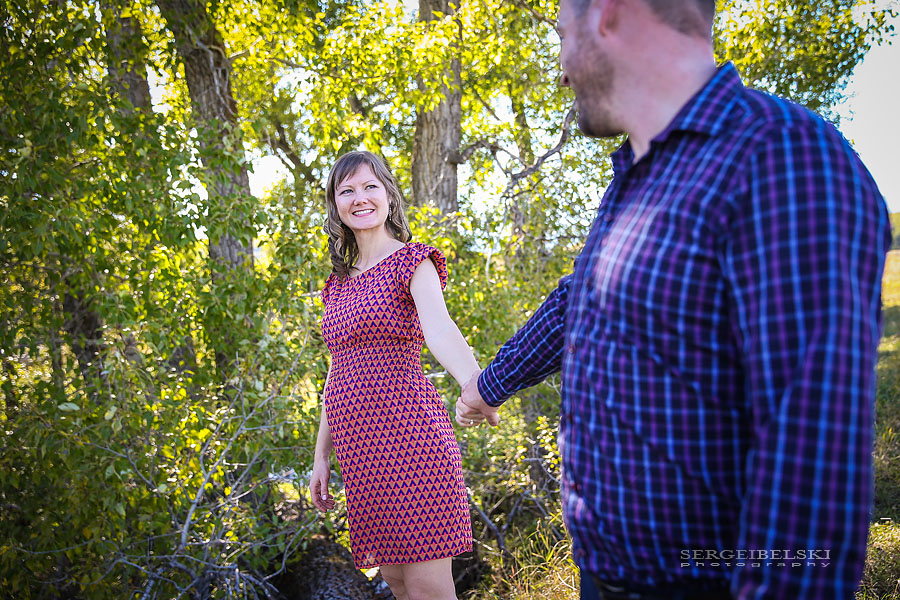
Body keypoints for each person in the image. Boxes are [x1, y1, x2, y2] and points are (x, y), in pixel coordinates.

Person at [455, 0, 892, 598]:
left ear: (605, 13)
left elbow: (809, 479)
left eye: (560, 34)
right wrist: (490, 383)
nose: (560, 68)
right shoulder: (643, 174)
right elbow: (582, 300)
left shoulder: (780, 160)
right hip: (603, 578)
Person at [309, 150, 483, 600]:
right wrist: (321, 455)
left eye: (370, 186)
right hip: (360, 451)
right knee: (400, 584)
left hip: (411, 437)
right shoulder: (337, 284)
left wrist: (475, 383)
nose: (359, 198)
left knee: (428, 588)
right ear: (335, 205)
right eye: (346, 190)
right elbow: (337, 370)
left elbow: (440, 327)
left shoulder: (413, 261)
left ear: (388, 194)